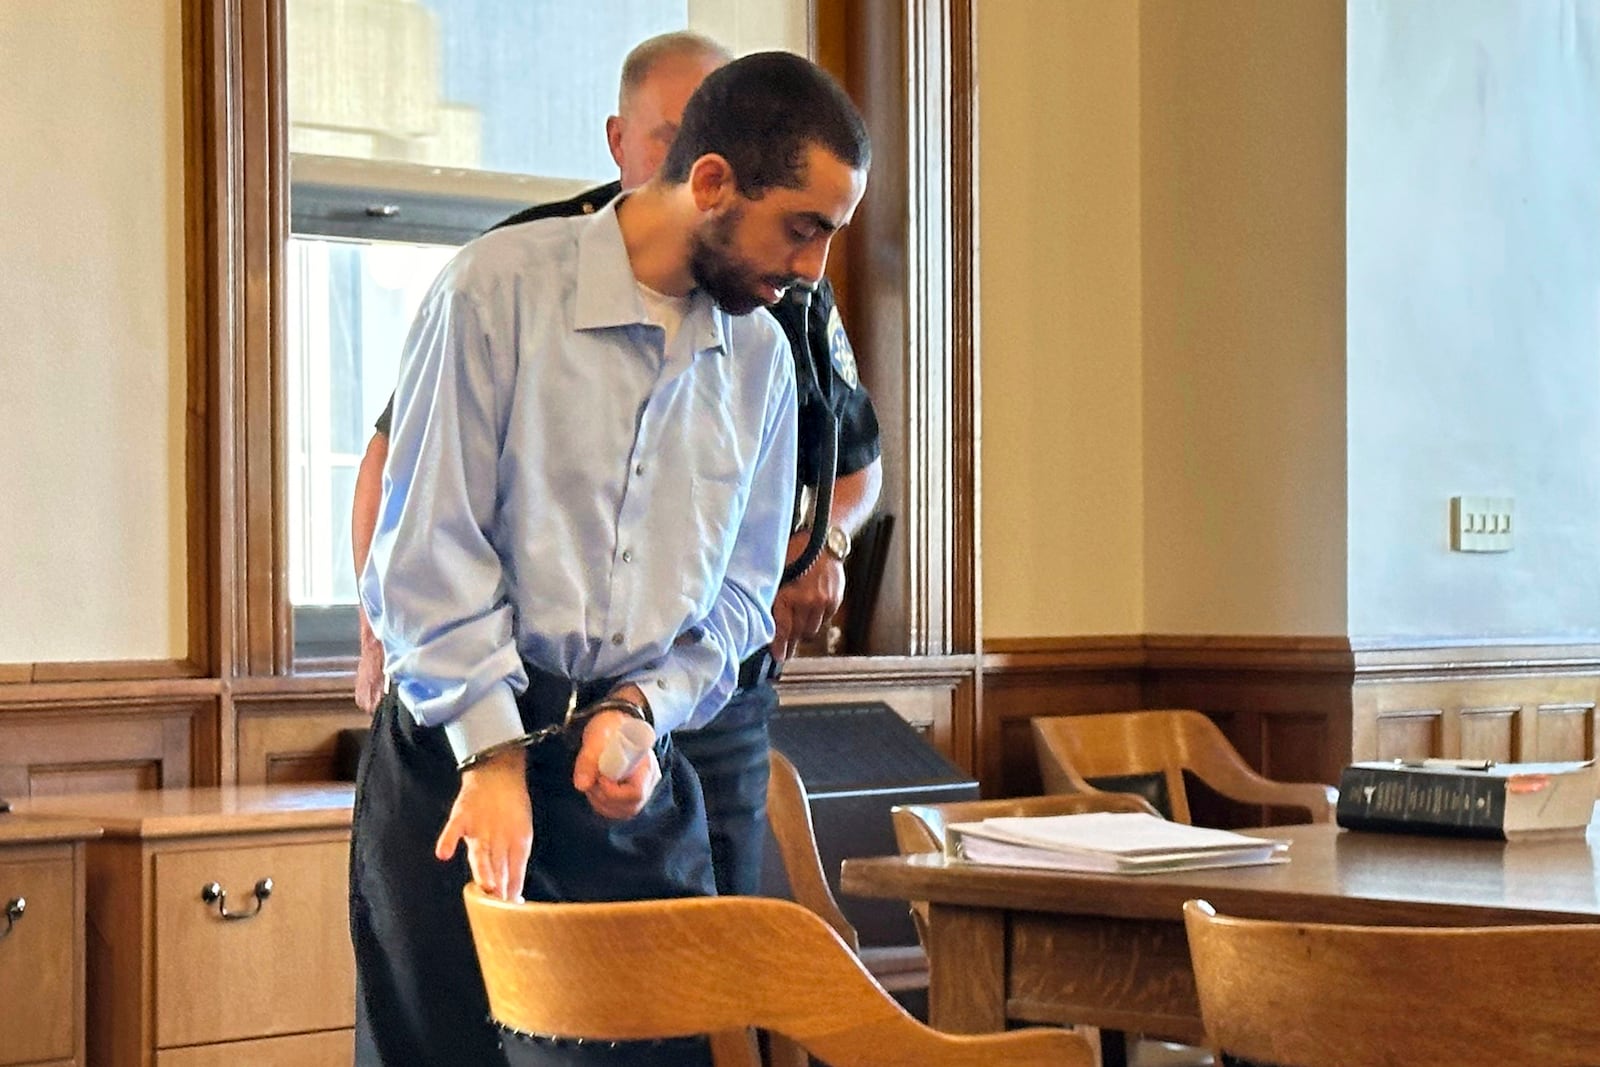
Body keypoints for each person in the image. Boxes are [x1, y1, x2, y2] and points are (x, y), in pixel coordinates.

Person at [351, 50, 872, 1067]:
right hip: (453, 771)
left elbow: (732, 599)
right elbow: (424, 549)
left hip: (628, 774)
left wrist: (642, 712)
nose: (811, 268)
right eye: (802, 228)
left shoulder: (766, 357)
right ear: (711, 181)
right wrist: (494, 750)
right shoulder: (495, 289)